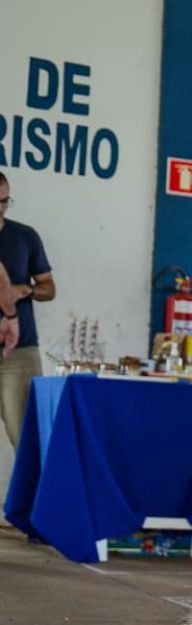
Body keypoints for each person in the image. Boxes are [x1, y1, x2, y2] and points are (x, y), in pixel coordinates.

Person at [0, 171, 56, 448]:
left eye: (4, 201)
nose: (0, 208)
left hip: (19, 351)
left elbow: (49, 288)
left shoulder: (25, 236)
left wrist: (24, 290)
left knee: (26, 436)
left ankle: (35, 480)